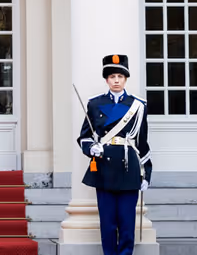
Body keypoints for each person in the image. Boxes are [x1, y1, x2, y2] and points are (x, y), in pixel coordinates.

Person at [78, 54, 153, 255]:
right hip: (104, 168)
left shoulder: (138, 106)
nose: (116, 80)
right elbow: (84, 137)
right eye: (112, 76)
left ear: (126, 79)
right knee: (108, 223)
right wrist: (91, 148)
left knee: (127, 222)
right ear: (106, 80)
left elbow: (143, 142)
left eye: (120, 76)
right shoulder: (94, 104)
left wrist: (147, 173)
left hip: (129, 168)